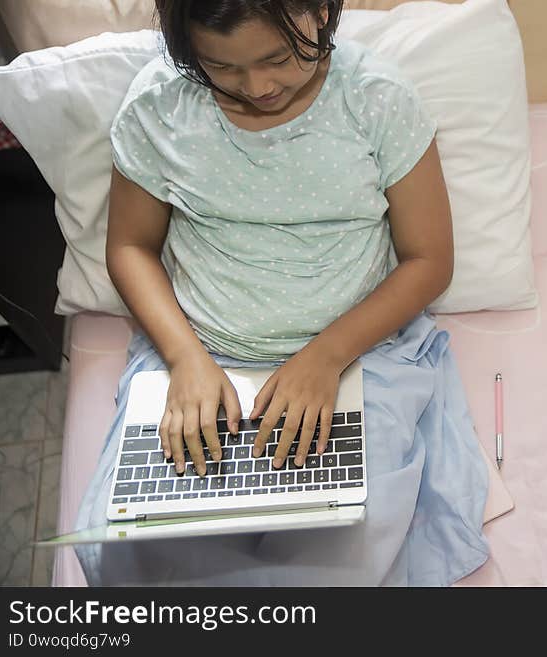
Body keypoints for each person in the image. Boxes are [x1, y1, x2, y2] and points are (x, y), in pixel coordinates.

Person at [73, 0, 490, 587]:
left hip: (353, 357)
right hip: (201, 356)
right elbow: (129, 247)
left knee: (335, 550)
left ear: (318, 11)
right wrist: (186, 360)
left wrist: (324, 357)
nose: (259, 86)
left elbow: (429, 261)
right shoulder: (160, 106)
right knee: (145, 550)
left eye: (277, 58)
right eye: (222, 68)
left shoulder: (375, 100)